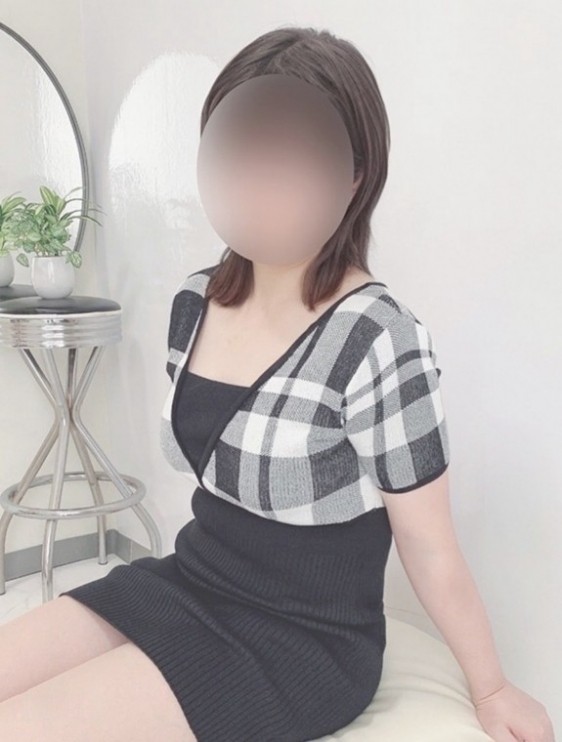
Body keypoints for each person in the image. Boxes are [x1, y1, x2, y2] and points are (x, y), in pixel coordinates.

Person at [0, 25, 554, 742]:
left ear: (353, 177)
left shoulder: (378, 337)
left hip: (301, 640)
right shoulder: (195, 301)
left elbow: (430, 546)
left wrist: (493, 687)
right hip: (190, 581)